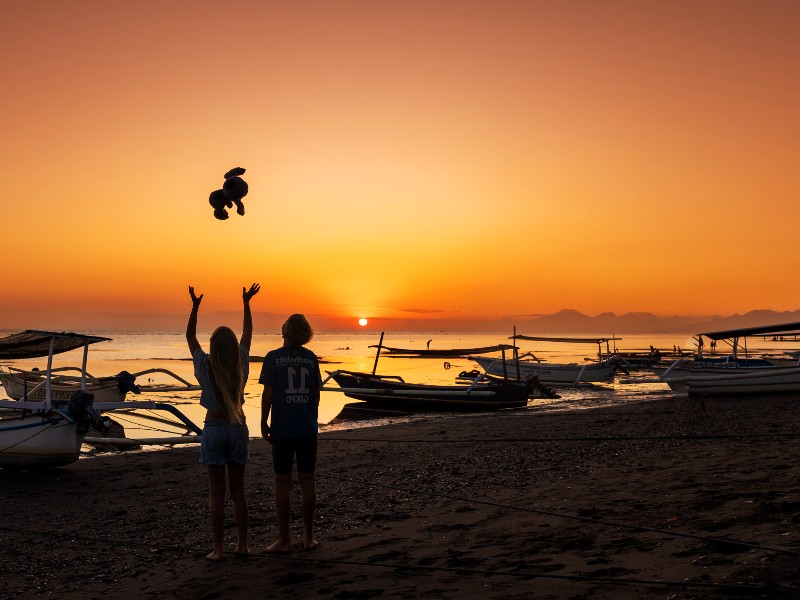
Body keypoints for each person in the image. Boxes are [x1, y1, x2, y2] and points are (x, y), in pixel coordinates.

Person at [186, 283, 261, 561]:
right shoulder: (241, 362)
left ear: (213, 348)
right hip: (238, 427)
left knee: (216, 494)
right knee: (238, 492)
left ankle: (218, 550)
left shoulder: (205, 366)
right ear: (233, 346)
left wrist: (194, 308)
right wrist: (246, 304)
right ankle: (243, 545)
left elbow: (190, 337)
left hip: (214, 429)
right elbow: (248, 335)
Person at [259, 314, 322, 553]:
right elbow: (316, 395)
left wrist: (264, 421)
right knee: (307, 480)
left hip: (283, 429)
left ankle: (285, 539)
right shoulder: (310, 358)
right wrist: (311, 417)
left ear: (287, 331)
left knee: (282, 482)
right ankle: (308, 538)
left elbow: (268, 394)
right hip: (306, 427)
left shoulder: (273, 358)